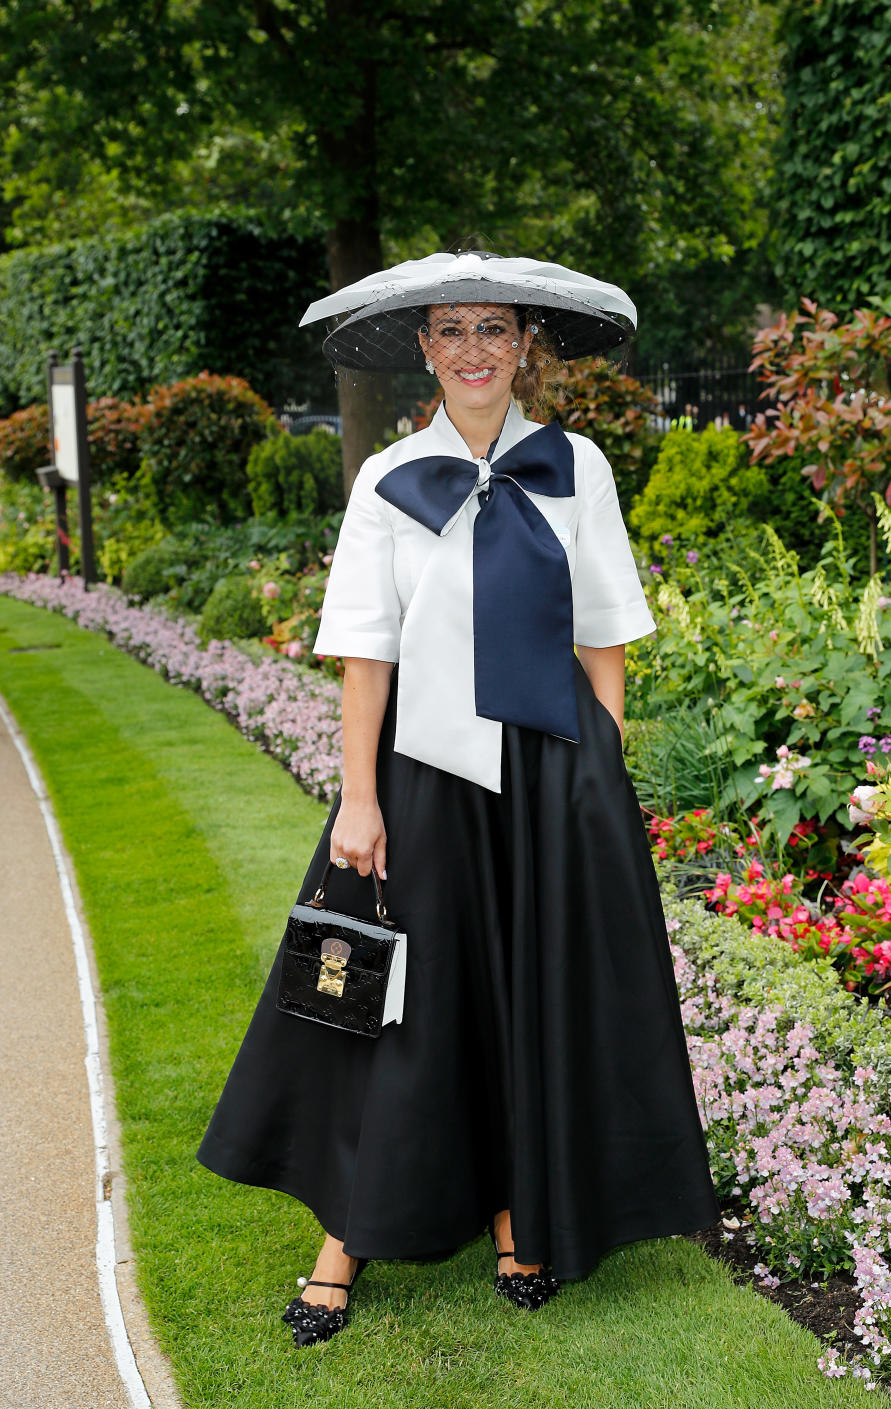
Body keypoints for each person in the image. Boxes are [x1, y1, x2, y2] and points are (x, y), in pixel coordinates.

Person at [196, 250, 721, 1348]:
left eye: (494, 328)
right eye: (451, 331)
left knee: (533, 991)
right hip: (425, 778)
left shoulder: (576, 465)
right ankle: (347, 1235)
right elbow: (365, 657)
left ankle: (519, 1214)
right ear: (422, 348)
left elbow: (604, 629)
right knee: (402, 1005)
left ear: (526, 340)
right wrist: (358, 799)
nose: (474, 350)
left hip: (551, 774)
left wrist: (601, 765)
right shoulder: (390, 479)